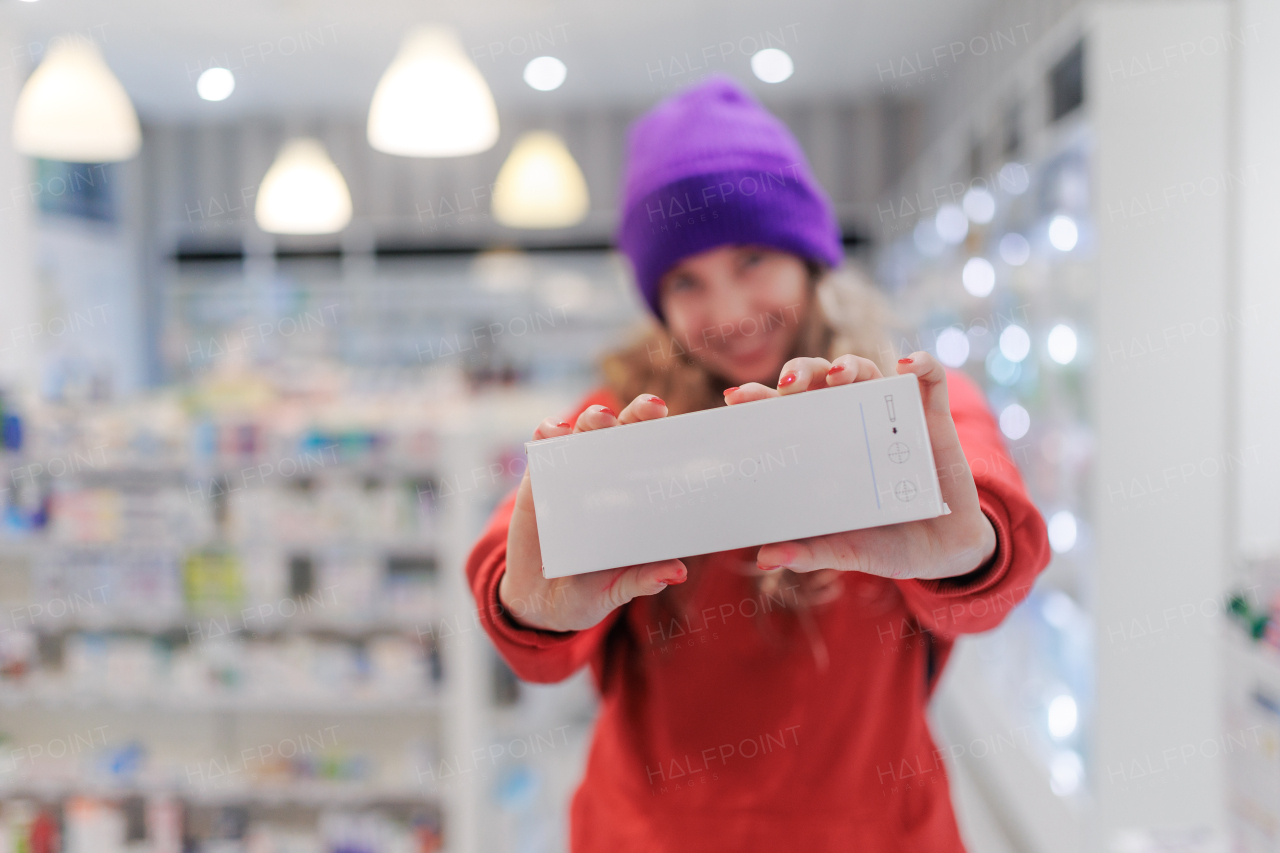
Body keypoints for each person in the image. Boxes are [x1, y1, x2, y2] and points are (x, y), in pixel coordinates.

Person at [465, 74, 1050, 852]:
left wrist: (971, 548)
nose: (732, 314)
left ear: (809, 258)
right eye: (686, 281)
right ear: (656, 301)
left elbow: (987, 531)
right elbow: (519, 581)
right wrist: (528, 606)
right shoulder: (620, 421)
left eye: (752, 259)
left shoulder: (900, 403)